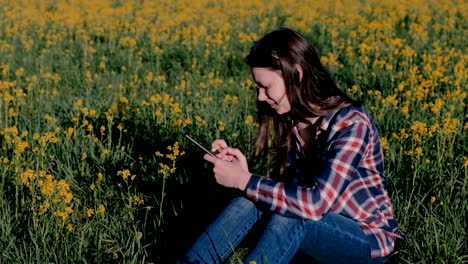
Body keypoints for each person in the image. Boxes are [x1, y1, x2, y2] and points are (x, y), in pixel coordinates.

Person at [177, 27, 400, 264]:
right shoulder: (294, 121)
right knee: (249, 200)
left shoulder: (351, 123)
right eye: (257, 88)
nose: (260, 97)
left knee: (293, 216)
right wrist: (245, 175)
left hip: (364, 239)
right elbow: (290, 193)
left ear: (297, 74)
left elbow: (315, 204)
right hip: (315, 229)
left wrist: (244, 180)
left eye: (266, 86)